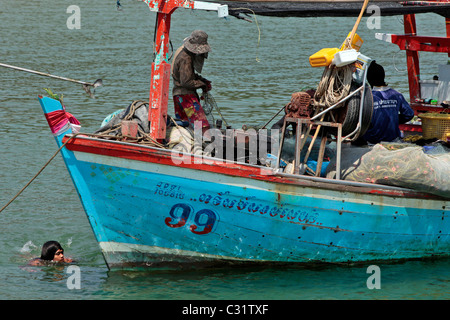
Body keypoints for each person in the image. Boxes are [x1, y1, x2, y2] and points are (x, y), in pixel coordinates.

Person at [361, 61, 414, 144]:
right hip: (393, 139)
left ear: (369, 79)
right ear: (383, 77)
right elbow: (409, 114)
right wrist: (394, 119)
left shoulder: (367, 98)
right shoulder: (397, 95)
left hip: (372, 141)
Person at [172, 30, 212, 134]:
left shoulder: (183, 52)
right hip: (186, 97)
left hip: (178, 96)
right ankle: (202, 145)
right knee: (202, 125)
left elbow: (187, 75)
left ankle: (193, 146)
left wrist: (201, 80)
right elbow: (186, 82)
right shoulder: (186, 58)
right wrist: (202, 84)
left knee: (185, 125)